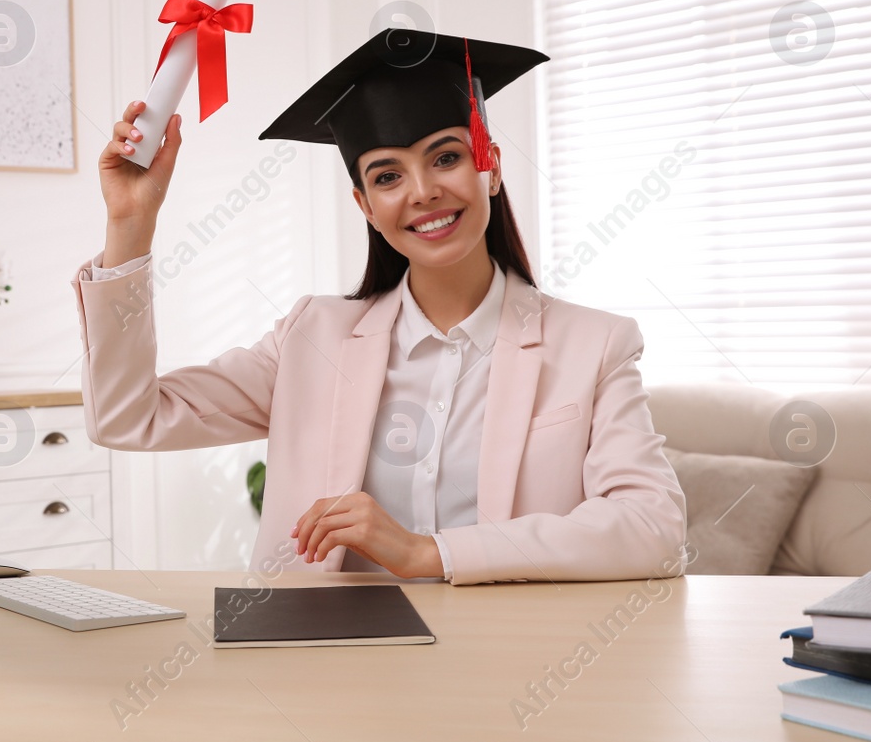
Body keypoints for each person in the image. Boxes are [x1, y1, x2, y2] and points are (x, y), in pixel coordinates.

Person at [70, 28, 686, 585]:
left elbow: (653, 529)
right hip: (333, 667)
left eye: (447, 157)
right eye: (388, 176)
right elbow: (128, 418)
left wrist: (428, 553)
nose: (423, 192)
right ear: (365, 205)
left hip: (509, 666)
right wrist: (131, 222)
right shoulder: (313, 339)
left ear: (489, 166)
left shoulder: (594, 345)